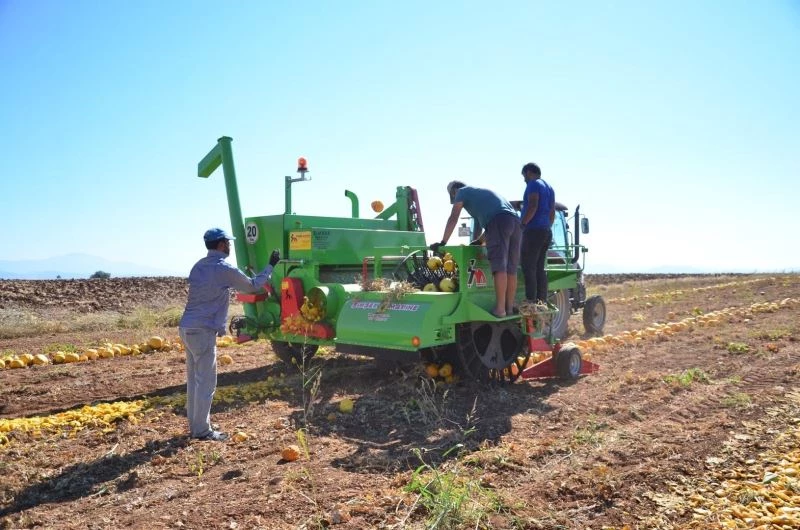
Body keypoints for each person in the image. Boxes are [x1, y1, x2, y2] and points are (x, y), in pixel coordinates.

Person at [179, 227, 280, 441]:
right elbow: (252, 287)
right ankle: (202, 431)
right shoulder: (222, 268)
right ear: (222, 244)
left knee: (194, 381)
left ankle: (196, 425)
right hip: (203, 330)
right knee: (206, 383)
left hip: (187, 327)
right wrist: (271, 265)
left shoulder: (198, 266)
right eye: (228, 242)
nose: (230, 246)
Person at [430, 181, 521, 317]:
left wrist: (443, 242)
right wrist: (479, 241)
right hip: (515, 223)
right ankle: (508, 308)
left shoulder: (462, 192)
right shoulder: (480, 195)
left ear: (454, 191)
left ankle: (500, 310)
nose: (455, 200)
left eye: (453, 197)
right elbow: (494, 223)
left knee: (499, 267)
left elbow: (454, 217)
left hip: (500, 221)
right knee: (511, 268)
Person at [519, 163, 555, 303]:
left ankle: (531, 301)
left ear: (529, 172)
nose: (524, 180)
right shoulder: (549, 187)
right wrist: (547, 227)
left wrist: (522, 224)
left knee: (528, 266)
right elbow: (552, 212)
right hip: (545, 231)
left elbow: (533, 205)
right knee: (540, 267)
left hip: (533, 231)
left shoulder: (533, 184)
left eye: (524, 176)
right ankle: (541, 301)